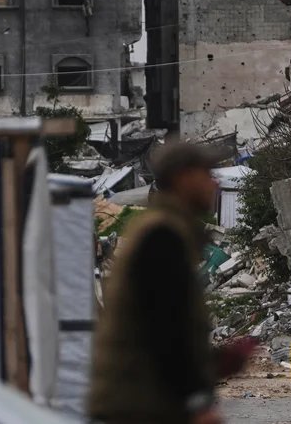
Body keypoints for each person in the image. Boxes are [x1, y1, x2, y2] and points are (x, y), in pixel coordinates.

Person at [88, 142, 254, 424]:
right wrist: (197, 401)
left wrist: (215, 363)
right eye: (206, 174)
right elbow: (164, 329)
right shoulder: (163, 237)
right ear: (183, 178)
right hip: (139, 405)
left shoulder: (165, 230)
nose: (214, 184)